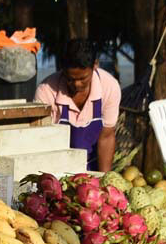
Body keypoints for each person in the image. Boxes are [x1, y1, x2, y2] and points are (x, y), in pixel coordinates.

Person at [35, 38, 121, 171]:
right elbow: (43, 141)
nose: (76, 84)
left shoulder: (109, 86)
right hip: (58, 168)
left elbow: (106, 136)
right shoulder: (46, 91)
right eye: (70, 79)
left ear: (95, 65)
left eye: (82, 78)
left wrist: (105, 179)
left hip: (93, 167)